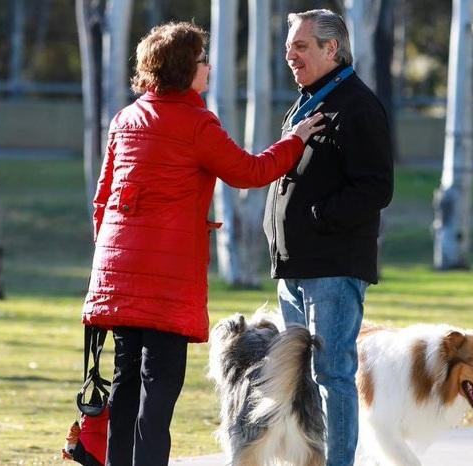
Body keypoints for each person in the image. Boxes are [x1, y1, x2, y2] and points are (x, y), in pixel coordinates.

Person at [81, 22, 324, 466]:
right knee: (159, 389)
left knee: (125, 383)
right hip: (166, 277)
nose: (208, 67)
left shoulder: (126, 117)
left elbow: (102, 199)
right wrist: (296, 140)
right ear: (184, 69)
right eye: (202, 61)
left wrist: (108, 262)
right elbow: (248, 172)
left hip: (117, 272)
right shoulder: (195, 123)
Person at [263, 9, 394, 466]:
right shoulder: (309, 99)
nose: (290, 56)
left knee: (333, 374)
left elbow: (377, 186)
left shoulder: (356, 104)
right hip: (295, 268)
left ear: (331, 48)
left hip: (333, 269)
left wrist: (318, 217)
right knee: (297, 379)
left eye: (300, 46)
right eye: (288, 47)